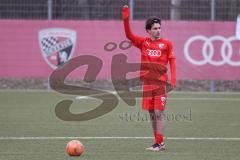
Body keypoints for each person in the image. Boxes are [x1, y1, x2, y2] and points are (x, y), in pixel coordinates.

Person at [122, 5, 176, 151]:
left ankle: (160, 143)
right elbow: (128, 35)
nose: (158, 30)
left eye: (159, 28)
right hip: (147, 83)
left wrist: (173, 80)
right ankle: (158, 142)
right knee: (152, 114)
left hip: (160, 84)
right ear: (148, 30)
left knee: (158, 112)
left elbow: (172, 60)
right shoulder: (143, 43)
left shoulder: (167, 44)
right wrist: (126, 19)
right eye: (155, 28)